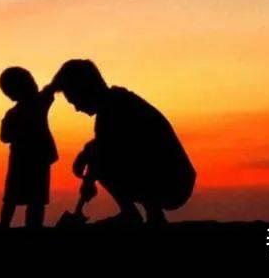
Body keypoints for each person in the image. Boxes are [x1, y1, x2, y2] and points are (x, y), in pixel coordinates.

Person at [52, 59, 195, 226]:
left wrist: (88, 180)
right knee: (100, 155)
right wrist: (87, 158)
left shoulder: (116, 108)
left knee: (104, 159)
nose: (76, 108)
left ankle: (139, 214)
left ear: (85, 90)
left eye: (74, 100)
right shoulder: (116, 103)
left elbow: (107, 150)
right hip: (172, 179)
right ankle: (146, 214)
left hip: (172, 183)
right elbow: (105, 143)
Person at [0, 67, 58, 229]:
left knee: (20, 197)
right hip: (32, 158)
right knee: (33, 198)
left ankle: (6, 226)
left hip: (27, 159)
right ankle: (28, 227)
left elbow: (4, 137)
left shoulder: (15, 112)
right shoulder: (37, 104)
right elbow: (4, 137)